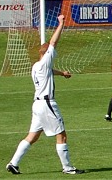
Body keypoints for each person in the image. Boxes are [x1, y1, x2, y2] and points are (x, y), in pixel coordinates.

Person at [6, 15, 84, 175]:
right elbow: (54, 42)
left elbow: (48, 71)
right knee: (61, 135)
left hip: (37, 104)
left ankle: (13, 163)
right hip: (47, 103)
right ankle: (68, 168)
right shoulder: (45, 61)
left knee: (32, 136)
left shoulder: (36, 66)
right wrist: (61, 23)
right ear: (46, 53)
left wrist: (62, 73)